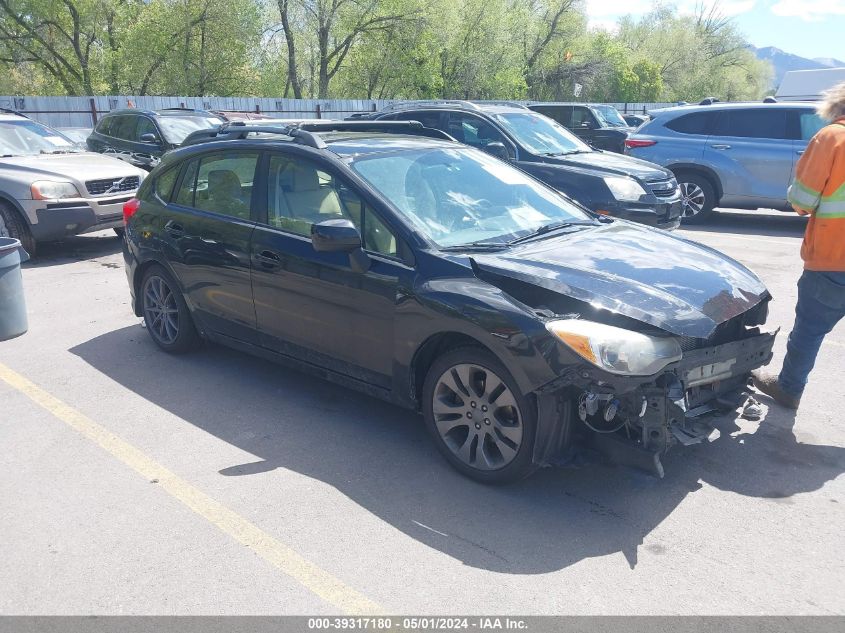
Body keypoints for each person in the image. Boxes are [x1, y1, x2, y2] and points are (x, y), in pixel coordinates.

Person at [753, 82, 845, 409]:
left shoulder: (832, 138)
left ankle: (789, 389)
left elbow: (803, 200)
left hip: (834, 260)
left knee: (810, 329)